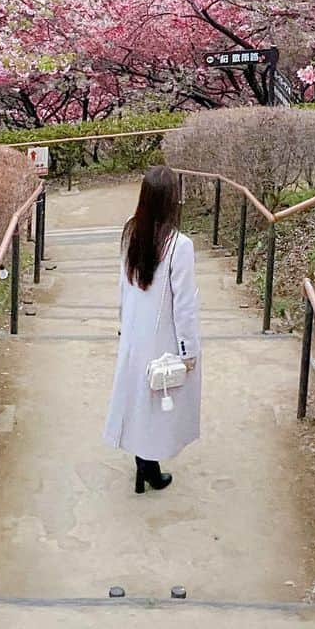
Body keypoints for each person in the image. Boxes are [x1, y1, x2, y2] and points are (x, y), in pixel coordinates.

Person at [103, 165, 202, 493]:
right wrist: (188, 351)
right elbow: (185, 305)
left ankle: (144, 466)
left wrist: (124, 327)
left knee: (138, 398)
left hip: (135, 332)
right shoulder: (179, 245)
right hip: (165, 337)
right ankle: (149, 466)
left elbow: (123, 286)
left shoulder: (131, 233)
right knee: (159, 400)